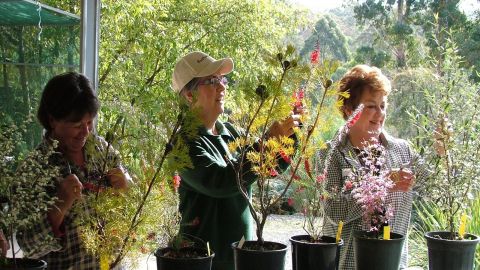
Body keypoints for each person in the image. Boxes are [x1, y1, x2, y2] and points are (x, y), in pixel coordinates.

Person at [172, 51, 301, 270]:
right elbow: (220, 182)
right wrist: (267, 142)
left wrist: (290, 134)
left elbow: (270, 167)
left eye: (221, 79)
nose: (222, 87)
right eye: (211, 81)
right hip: (201, 260)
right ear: (189, 95)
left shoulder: (232, 133)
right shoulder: (182, 144)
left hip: (241, 255)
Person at [17, 72, 131, 269]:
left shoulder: (100, 149)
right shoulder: (34, 169)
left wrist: (126, 183)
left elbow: (131, 193)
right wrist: (59, 206)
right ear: (53, 120)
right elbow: (29, 248)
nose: (86, 132)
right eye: (77, 125)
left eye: (89, 122)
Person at [319, 65, 427, 270]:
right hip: (347, 264)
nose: (380, 114)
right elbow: (333, 211)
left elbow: (429, 181)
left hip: (393, 262)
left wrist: (441, 151)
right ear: (349, 110)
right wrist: (382, 185)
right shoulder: (331, 154)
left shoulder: (402, 150)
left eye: (383, 106)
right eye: (371, 106)